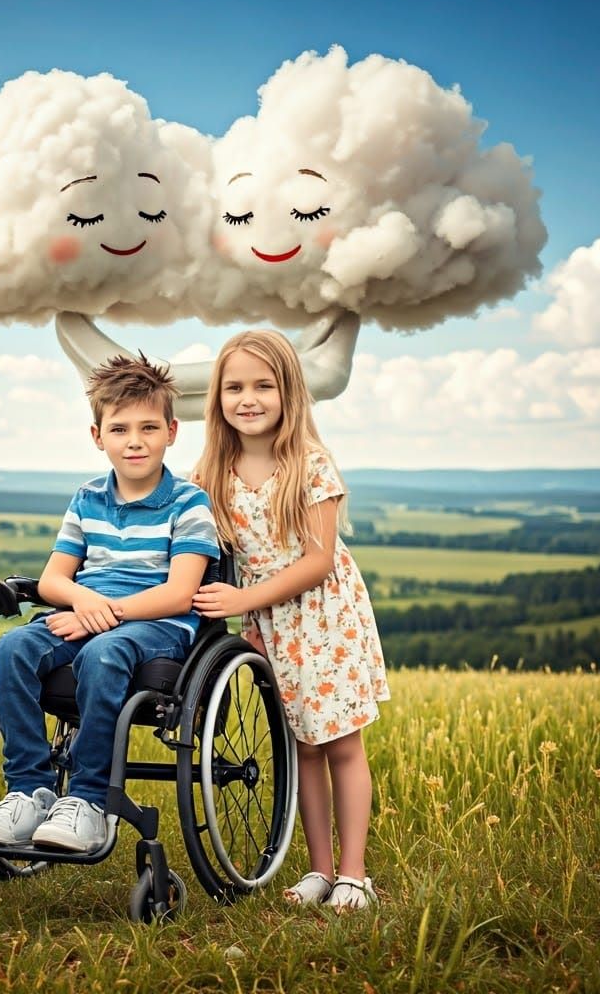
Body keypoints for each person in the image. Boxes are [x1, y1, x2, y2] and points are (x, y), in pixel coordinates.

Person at [0, 354, 219, 853]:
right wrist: (87, 604)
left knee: (102, 653)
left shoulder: (189, 504)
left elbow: (180, 592)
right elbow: (56, 580)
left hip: (159, 622)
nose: (135, 440)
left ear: (171, 431)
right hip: (89, 613)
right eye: (120, 428)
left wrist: (110, 616)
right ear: (97, 435)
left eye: (148, 427)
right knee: (14, 647)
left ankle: (87, 801)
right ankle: (29, 791)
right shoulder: (87, 499)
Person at [192, 330, 390, 912]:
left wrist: (242, 598)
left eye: (262, 385)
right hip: (271, 628)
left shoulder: (309, 464)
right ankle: (320, 871)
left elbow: (318, 560)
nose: (247, 398)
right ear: (217, 397)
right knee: (300, 747)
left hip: (325, 618)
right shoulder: (212, 471)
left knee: (341, 745)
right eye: (233, 387)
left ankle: (355, 874)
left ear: (289, 392)